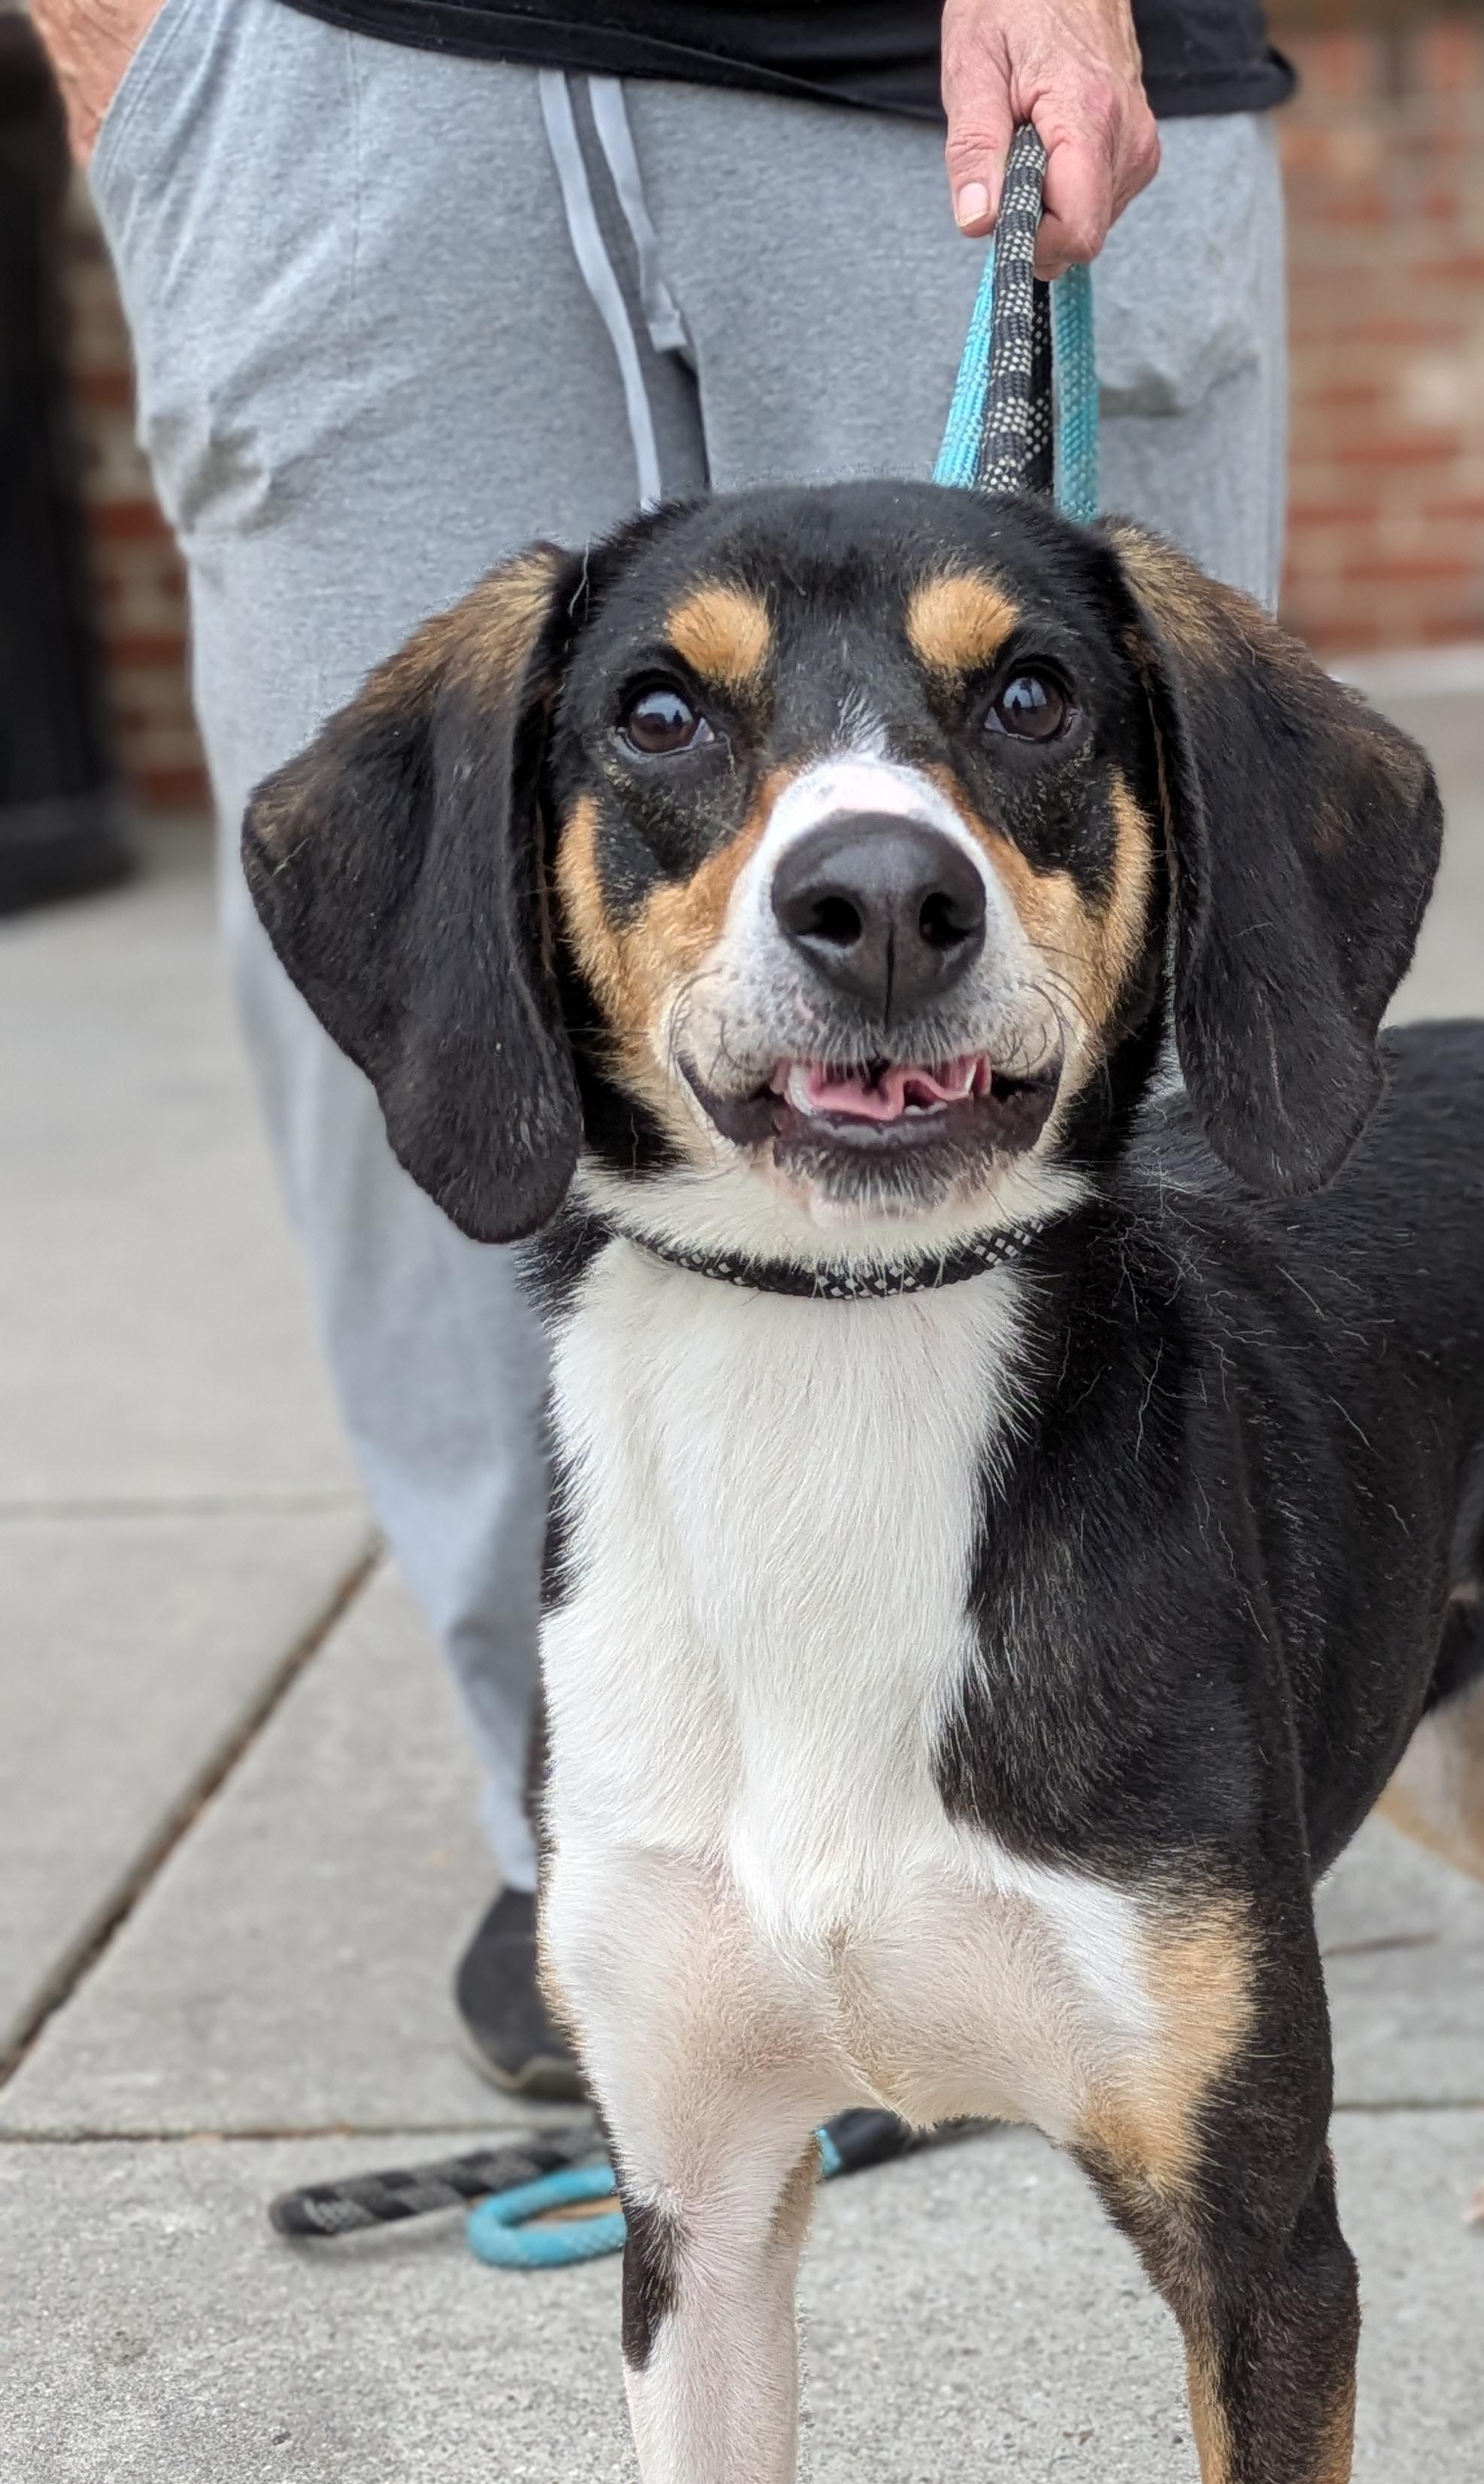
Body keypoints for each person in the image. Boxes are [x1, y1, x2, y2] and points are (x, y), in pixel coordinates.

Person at [32, 0, 1291, 2090]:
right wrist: (133, 48)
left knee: (1087, 992)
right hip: (331, 82)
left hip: (954, 62)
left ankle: (1110, 1818)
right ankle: (630, 1852)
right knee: (439, 1020)